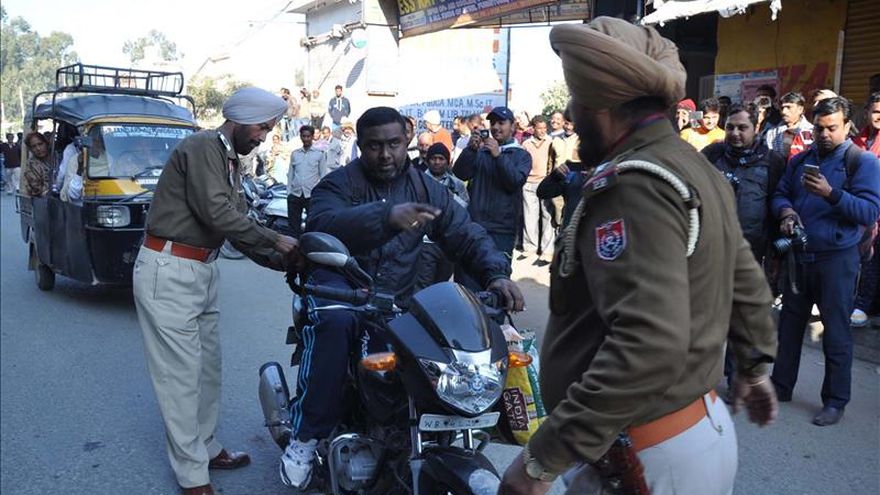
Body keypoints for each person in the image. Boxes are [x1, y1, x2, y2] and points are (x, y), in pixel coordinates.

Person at [499, 17, 778, 495]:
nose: (572, 114)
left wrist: (541, 461)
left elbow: (647, 343)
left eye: (576, 102)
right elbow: (745, 279)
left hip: (645, 456)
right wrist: (753, 368)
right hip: (689, 435)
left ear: (600, 106)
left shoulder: (633, 184)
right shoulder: (691, 166)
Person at [279, 106, 524, 489]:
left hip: (398, 297)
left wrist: (496, 274)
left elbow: (463, 231)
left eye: (393, 144)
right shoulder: (338, 184)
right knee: (335, 325)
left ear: (407, 140)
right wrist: (385, 217)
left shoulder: (426, 188)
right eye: (374, 146)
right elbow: (324, 223)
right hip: (342, 290)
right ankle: (305, 437)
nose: (385, 154)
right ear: (360, 145)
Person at [133, 87, 299, 495]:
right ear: (241, 119)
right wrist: (277, 241)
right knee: (180, 377)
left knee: (207, 369)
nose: (263, 137)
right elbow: (217, 212)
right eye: (262, 128)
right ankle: (192, 474)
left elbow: (236, 225)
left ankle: (206, 446)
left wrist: (283, 262)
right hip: (169, 267)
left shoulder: (228, 158)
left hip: (201, 268)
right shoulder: (204, 146)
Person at [770, 96, 880, 427]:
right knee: (789, 327)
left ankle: (834, 401)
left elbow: (869, 212)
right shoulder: (801, 160)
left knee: (836, 333)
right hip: (800, 255)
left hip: (838, 260)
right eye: (819, 128)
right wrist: (786, 212)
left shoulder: (862, 162)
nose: (824, 134)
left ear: (847, 126)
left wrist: (832, 194)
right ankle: (780, 386)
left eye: (832, 128)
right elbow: (780, 194)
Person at [702, 104, 786, 394]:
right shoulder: (712, 155)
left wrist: (775, 257)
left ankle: (735, 379)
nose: (735, 133)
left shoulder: (773, 162)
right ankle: (700, 380)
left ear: (756, 128)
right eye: (730, 127)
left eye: (742, 127)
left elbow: (777, 204)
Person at [452, 106, 531, 289]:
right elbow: (460, 173)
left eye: (501, 123)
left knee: (495, 281)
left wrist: (498, 156)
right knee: (466, 281)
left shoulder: (522, 155)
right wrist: (471, 150)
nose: (495, 127)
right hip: (475, 226)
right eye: (493, 123)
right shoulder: (481, 152)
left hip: (502, 231)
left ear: (513, 127)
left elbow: (515, 181)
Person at [414, 142, 470, 291]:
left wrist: (449, 196)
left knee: (441, 286)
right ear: (427, 161)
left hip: (448, 243)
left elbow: (464, 208)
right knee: (423, 287)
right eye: (434, 158)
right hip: (425, 243)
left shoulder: (457, 184)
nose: (437, 162)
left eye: (441, 159)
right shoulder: (417, 182)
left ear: (447, 161)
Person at [851, 92, 880, 327]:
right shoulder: (857, 140)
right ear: (867, 112)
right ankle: (860, 304)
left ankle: (865, 305)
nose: (879, 116)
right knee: (863, 259)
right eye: (876, 111)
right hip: (860, 210)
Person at [520, 115, 554, 266]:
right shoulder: (526, 144)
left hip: (546, 182)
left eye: (544, 128)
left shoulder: (551, 142)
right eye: (539, 128)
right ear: (533, 128)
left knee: (547, 216)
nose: (542, 131)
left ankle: (547, 250)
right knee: (530, 216)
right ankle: (530, 247)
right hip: (529, 183)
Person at [287, 125, 329, 238]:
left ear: (312, 137)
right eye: (303, 136)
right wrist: (289, 192)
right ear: (300, 136)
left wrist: (320, 194)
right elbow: (290, 174)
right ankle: (293, 246)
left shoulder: (319, 154)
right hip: (295, 193)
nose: (306, 139)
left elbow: (323, 175)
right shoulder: (295, 154)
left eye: (308, 136)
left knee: (312, 225)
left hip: (311, 194)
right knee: (293, 227)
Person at [536, 137, 586, 229]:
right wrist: (555, 175)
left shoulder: (606, 169)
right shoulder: (571, 169)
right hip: (571, 229)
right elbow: (542, 192)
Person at [764, 92, 813, 158]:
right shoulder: (771, 133)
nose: (784, 112)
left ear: (800, 109)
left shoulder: (812, 132)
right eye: (782, 108)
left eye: (788, 107)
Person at [21, 132, 54, 197]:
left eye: (40, 144)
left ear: (46, 143)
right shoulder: (31, 165)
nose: (38, 148)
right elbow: (37, 189)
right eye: (34, 146)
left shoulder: (56, 156)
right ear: (30, 149)